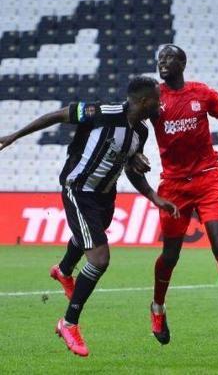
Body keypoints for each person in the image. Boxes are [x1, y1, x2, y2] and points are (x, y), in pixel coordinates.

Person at [0, 76, 179, 357]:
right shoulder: (103, 113)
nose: (161, 103)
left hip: (105, 195)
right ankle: (68, 323)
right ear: (144, 101)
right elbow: (58, 115)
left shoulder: (140, 133)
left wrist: (154, 196)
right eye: (158, 99)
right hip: (78, 189)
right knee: (99, 258)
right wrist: (14, 136)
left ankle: (63, 270)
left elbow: (132, 169)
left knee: (91, 236)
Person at [149, 44, 218, 351]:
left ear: (182, 62)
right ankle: (157, 307)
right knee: (170, 255)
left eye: (168, 58)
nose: (162, 63)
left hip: (208, 177)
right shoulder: (154, 98)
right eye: (159, 59)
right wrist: (133, 157)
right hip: (174, 186)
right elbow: (134, 126)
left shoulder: (201, 93)